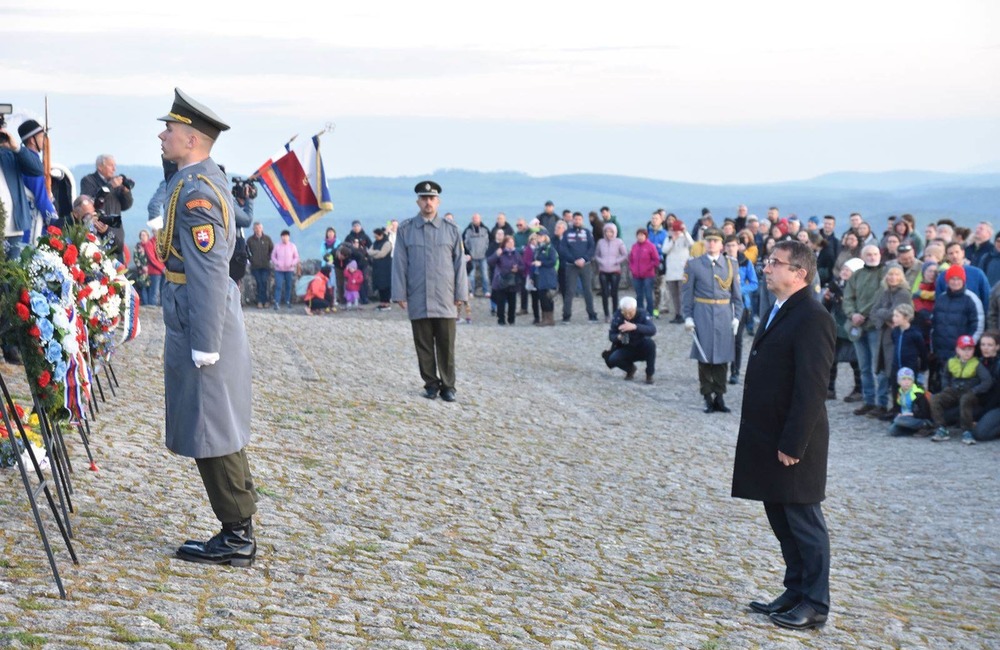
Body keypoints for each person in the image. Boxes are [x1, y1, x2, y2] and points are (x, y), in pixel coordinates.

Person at [156, 88, 257, 566]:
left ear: (192, 139)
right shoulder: (195, 179)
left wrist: (205, 342)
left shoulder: (197, 192)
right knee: (214, 424)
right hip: (195, 312)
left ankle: (237, 535)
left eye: (170, 130)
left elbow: (210, 270)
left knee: (212, 427)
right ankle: (238, 524)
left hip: (202, 317)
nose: (162, 136)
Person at [732, 239, 836, 631]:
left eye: (775, 263)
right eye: (768, 261)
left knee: (804, 520)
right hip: (768, 434)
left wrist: (794, 443)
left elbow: (812, 388)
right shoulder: (779, 307)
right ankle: (795, 591)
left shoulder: (813, 317)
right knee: (780, 516)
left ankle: (816, 603)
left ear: (799, 273)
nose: (766, 267)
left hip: (796, 441)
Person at [391, 180, 468, 402]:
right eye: (424, 198)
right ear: (418, 201)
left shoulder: (451, 230)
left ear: (438, 202)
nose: (428, 202)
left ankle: (448, 386)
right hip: (419, 294)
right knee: (423, 344)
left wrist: (461, 294)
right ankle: (431, 384)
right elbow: (399, 264)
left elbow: (459, 264)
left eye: (431, 198)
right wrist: (399, 294)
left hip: (445, 296)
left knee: (446, 345)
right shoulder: (406, 230)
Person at [682, 228, 743, 413]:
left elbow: (737, 296)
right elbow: (687, 294)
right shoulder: (694, 265)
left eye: (715, 241)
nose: (711, 244)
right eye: (708, 240)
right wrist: (688, 317)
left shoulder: (731, 265)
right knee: (704, 356)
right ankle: (707, 396)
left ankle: (720, 396)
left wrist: (737, 317)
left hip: (724, 315)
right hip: (703, 313)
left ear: (721, 244)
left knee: (723, 357)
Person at [843, 245, 887, 416]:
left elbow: (880, 297)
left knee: (879, 367)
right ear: (862, 256)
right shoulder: (857, 275)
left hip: (875, 326)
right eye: (868, 254)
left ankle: (882, 403)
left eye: (875, 254)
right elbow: (848, 297)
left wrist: (863, 313)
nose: (872, 257)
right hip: (858, 326)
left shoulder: (884, 273)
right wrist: (852, 314)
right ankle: (869, 401)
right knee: (864, 367)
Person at [929, 335, 993, 443]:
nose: (967, 352)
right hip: (953, 390)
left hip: (970, 392)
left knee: (965, 399)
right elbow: (945, 376)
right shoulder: (951, 362)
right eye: (963, 349)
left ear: (974, 350)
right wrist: (946, 387)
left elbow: (987, 381)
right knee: (935, 399)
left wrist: (975, 390)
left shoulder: (977, 364)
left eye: (970, 349)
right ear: (957, 350)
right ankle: (941, 428)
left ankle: (967, 431)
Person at [602, 296, 657, 384]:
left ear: (635, 309)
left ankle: (649, 374)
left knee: (651, 344)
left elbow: (652, 330)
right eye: (625, 313)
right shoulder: (617, 316)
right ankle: (630, 369)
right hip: (625, 346)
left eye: (630, 313)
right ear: (621, 311)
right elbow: (611, 335)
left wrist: (635, 327)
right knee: (612, 359)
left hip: (641, 345)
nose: (628, 315)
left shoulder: (642, 314)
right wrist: (618, 337)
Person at [726, 235, 758, 384]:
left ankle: (735, 371)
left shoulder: (745, 262)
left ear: (738, 246)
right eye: (728, 245)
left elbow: (754, 283)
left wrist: (738, 290)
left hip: (741, 305)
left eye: (733, 245)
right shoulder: (720, 261)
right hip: (722, 305)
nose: (730, 248)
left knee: (737, 339)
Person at [559, 212, 598, 323]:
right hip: (571, 266)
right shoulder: (567, 233)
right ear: (572, 220)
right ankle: (566, 315)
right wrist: (573, 260)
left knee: (587, 290)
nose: (577, 221)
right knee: (570, 291)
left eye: (579, 219)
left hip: (585, 265)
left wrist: (584, 259)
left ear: (582, 220)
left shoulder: (587, 233)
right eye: (575, 219)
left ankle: (592, 314)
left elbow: (591, 247)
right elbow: (563, 249)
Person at [594, 223, 627, 322]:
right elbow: (596, 255)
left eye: (611, 232)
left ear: (614, 232)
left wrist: (616, 261)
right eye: (607, 231)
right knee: (604, 293)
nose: (609, 233)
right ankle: (606, 314)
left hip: (615, 270)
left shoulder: (619, 242)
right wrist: (601, 261)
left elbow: (624, 254)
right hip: (603, 270)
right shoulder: (600, 242)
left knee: (614, 293)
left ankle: (615, 313)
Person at [663, 219, 693, 324]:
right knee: (674, 295)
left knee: (682, 294)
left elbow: (692, 244)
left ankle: (684, 314)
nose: (675, 232)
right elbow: (664, 250)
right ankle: (677, 314)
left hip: (682, 271)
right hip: (671, 272)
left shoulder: (685, 238)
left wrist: (685, 232)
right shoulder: (668, 238)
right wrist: (673, 240)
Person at [888, 367, 933, 436]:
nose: (907, 382)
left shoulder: (917, 393)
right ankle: (914, 431)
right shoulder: (900, 392)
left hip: (918, 419)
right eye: (903, 379)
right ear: (899, 381)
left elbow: (925, 413)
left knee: (898, 420)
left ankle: (925, 426)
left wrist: (911, 414)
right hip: (906, 419)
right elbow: (898, 409)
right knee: (892, 430)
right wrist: (898, 414)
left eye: (909, 379)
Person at [489, 235, 521, 325]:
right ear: (505, 243)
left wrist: (517, 268)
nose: (511, 244)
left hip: (512, 280)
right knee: (501, 302)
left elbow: (522, 265)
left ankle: (511, 319)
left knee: (512, 301)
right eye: (509, 242)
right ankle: (501, 319)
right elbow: (490, 261)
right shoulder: (500, 252)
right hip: (501, 280)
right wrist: (496, 255)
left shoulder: (516, 253)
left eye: (512, 242)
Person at [629, 228, 660, 316]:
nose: (640, 237)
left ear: (646, 236)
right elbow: (631, 259)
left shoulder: (651, 246)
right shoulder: (634, 246)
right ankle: (640, 312)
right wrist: (632, 269)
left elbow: (656, 260)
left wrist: (648, 268)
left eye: (642, 235)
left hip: (648, 275)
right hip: (636, 275)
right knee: (639, 295)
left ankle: (650, 312)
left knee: (648, 294)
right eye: (638, 235)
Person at [462, 213, 491, 298]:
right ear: (472, 220)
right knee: (471, 275)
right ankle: (471, 291)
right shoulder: (468, 230)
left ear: (480, 219)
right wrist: (468, 253)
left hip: (483, 256)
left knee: (485, 275)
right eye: (474, 218)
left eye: (477, 218)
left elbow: (489, 241)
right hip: (472, 256)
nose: (475, 220)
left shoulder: (485, 229)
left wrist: (487, 252)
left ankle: (486, 291)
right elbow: (464, 242)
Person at [246, 222, 274, 308]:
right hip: (255, 266)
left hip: (265, 266)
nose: (258, 229)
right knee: (259, 282)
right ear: (253, 229)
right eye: (256, 228)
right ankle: (260, 301)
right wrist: (251, 259)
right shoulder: (250, 240)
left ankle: (264, 301)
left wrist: (268, 258)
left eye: (259, 228)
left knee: (264, 282)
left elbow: (272, 250)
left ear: (262, 229)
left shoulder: (267, 239)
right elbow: (246, 251)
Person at [270, 229, 299, 309]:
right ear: (281, 237)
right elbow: (273, 256)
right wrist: (277, 263)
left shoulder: (292, 246)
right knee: (278, 286)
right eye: (283, 236)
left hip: (289, 270)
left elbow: (296, 257)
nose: (285, 238)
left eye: (286, 236)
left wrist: (292, 263)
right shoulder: (277, 246)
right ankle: (277, 302)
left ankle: (288, 301)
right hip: (279, 270)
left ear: (288, 237)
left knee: (288, 286)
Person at [368, 227, 393, 310]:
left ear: (381, 235)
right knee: (379, 286)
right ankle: (382, 302)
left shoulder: (387, 243)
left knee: (385, 285)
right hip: (377, 267)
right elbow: (369, 251)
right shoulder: (375, 242)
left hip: (385, 267)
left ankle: (387, 303)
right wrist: (376, 252)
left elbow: (382, 254)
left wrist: (374, 254)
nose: (375, 238)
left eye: (376, 236)